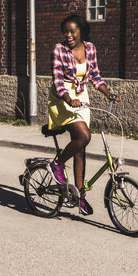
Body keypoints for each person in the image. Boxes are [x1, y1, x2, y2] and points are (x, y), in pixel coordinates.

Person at [47, 14, 120, 215]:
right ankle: (57, 164)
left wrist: (108, 94)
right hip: (62, 99)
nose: (68, 35)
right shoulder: (58, 49)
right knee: (84, 136)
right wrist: (69, 99)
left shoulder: (90, 48)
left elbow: (95, 75)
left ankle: (80, 197)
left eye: (72, 31)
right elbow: (57, 81)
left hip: (81, 96)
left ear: (81, 31)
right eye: (66, 32)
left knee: (81, 148)